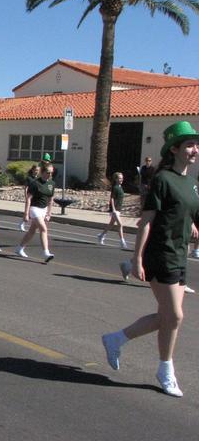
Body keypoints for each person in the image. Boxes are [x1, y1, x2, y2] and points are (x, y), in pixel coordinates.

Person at [103, 121, 199, 398]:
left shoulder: (192, 184)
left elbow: (190, 215)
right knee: (175, 316)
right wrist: (136, 259)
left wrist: (192, 227)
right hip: (161, 253)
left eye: (196, 144)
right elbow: (146, 222)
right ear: (175, 149)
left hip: (180, 254)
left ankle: (116, 339)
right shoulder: (162, 179)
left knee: (168, 318)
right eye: (189, 144)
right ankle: (165, 369)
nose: (195, 149)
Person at [14, 163, 56, 263]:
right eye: (48, 172)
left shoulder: (51, 184)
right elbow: (28, 199)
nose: (50, 175)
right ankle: (46, 253)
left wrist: (49, 213)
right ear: (42, 172)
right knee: (43, 229)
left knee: (32, 231)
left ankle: (20, 248)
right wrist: (26, 213)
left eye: (51, 173)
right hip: (34, 209)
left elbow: (50, 200)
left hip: (43, 209)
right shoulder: (35, 183)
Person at [97, 172, 128, 249]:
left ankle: (101, 236)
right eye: (120, 178)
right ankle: (122, 242)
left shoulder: (120, 187)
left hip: (118, 209)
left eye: (122, 178)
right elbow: (112, 199)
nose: (122, 179)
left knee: (111, 224)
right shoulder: (115, 187)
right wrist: (113, 209)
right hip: (114, 210)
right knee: (120, 224)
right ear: (116, 179)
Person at [19, 164, 39, 232]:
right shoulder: (29, 178)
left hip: (36, 197)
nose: (37, 171)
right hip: (29, 196)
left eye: (38, 170)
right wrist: (26, 196)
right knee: (28, 211)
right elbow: (26, 188)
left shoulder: (38, 179)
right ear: (32, 170)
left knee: (33, 212)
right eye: (36, 170)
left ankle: (31, 225)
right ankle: (22, 223)